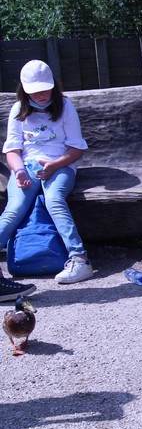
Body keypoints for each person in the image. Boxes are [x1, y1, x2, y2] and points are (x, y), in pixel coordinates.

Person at [1, 60, 93, 285]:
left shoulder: (65, 106)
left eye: (45, 90)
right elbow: (12, 151)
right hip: (27, 167)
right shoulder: (18, 110)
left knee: (54, 200)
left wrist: (54, 165)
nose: (41, 96)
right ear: (24, 91)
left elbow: (76, 149)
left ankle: (80, 259)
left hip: (60, 166)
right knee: (14, 208)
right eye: (35, 91)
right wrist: (19, 170)